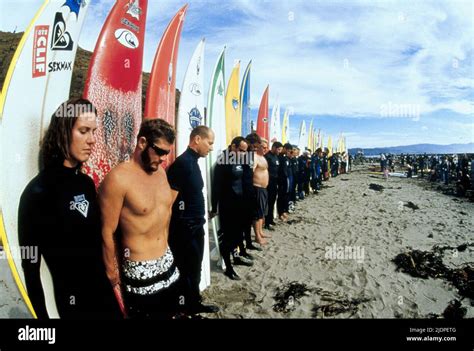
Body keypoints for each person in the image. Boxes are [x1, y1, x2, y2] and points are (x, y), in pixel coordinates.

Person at [18, 98, 121, 319]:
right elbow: (31, 269)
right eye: (83, 131)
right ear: (64, 131)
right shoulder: (37, 193)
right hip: (74, 305)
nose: (92, 140)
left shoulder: (85, 183)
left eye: (94, 131)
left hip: (104, 295)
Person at [99, 118, 181, 319]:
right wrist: (111, 272)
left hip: (168, 261)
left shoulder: (161, 172)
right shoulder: (118, 179)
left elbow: (165, 213)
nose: (163, 158)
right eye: (160, 151)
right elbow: (106, 231)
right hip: (140, 269)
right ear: (142, 142)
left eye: (167, 153)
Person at [167, 126, 219, 315]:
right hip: (185, 230)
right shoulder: (183, 163)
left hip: (196, 227)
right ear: (197, 139)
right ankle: (185, 309)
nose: (211, 148)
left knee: (195, 271)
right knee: (186, 273)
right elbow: (168, 203)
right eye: (210, 143)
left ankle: (193, 304)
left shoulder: (193, 162)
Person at [210, 137, 248, 280]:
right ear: (233, 146)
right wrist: (214, 207)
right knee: (228, 237)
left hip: (239, 203)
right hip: (228, 205)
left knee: (238, 235)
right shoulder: (223, 161)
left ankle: (236, 257)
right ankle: (228, 267)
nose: (244, 153)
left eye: (245, 151)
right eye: (242, 150)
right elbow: (216, 186)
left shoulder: (238, 159)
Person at [247, 133, 269, 245]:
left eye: (266, 147)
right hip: (257, 188)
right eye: (263, 147)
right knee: (256, 214)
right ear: (258, 146)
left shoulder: (263, 157)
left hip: (264, 189)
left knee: (261, 213)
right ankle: (257, 236)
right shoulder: (254, 157)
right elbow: (250, 174)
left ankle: (260, 232)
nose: (265, 149)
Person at [264, 142, 282, 230]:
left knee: (272, 202)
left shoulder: (276, 157)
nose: (279, 151)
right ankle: (267, 222)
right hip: (268, 183)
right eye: (278, 149)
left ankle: (270, 219)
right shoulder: (267, 157)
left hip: (275, 183)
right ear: (274, 147)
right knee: (268, 203)